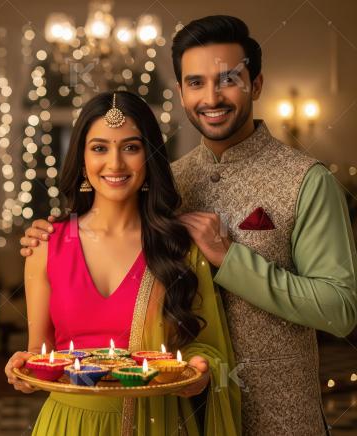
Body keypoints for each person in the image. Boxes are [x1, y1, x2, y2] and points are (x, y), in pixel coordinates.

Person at [19, 16, 357, 435]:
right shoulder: (168, 181)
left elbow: (341, 310)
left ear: (256, 84)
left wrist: (230, 259)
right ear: (181, 92)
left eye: (228, 79)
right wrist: (54, 238)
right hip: (177, 413)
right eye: (197, 82)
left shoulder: (305, 180)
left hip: (279, 413)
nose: (212, 97)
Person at [4, 90, 241, 435]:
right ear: (82, 159)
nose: (115, 164)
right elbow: (41, 354)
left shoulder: (178, 246)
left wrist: (200, 370)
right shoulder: (45, 246)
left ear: (149, 156)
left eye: (131, 147)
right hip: (69, 425)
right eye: (99, 148)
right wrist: (23, 368)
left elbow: (206, 345)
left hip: (157, 424)